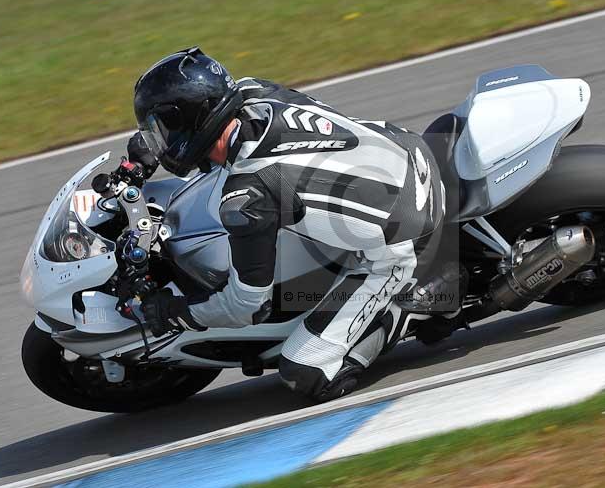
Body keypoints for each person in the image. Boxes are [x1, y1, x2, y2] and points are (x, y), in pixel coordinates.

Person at [133, 47, 458, 401]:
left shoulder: (248, 193)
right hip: (401, 147)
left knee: (306, 371)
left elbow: (245, 306)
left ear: (195, 117)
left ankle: (418, 304)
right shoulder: (250, 91)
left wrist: (178, 313)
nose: (159, 140)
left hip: (409, 236)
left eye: (163, 129)